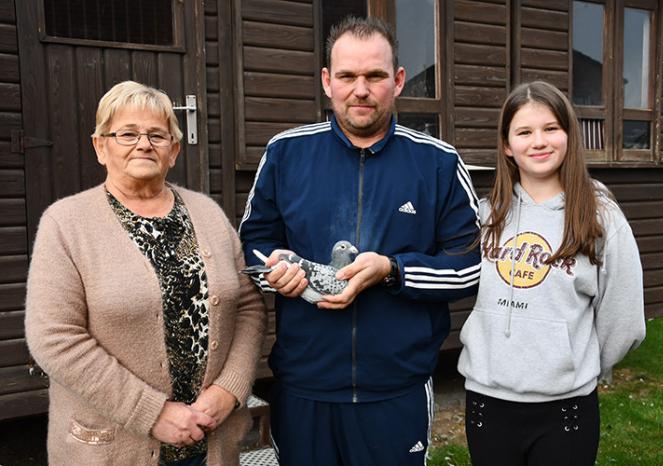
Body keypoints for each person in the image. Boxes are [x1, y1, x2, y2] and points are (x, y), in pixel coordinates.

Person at [238, 15, 481, 466]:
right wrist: (282, 275)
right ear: (327, 82)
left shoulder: (438, 163)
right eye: (347, 76)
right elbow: (253, 243)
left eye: (375, 76)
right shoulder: (286, 153)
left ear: (399, 80)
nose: (361, 89)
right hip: (305, 385)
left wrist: (394, 270)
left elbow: (469, 267)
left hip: (397, 388)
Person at [25, 81, 267, 466]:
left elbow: (250, 307)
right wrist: (152, 412)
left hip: (211, 441)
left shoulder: (208, 214)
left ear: (173, 151)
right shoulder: (66, 224)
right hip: (112, 448)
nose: (143, 144)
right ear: (100, 146)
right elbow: (54, 338)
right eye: (127, 134)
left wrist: (229, 389)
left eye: (157, 134)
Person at [457, 81, 646, 466]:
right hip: (487, 403)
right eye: (524, 132)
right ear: (507, 145)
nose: (538, 141)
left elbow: (623, 321)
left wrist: (575, 363)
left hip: (565, 410)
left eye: (550, 128)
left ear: (568, 135)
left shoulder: (600, 218)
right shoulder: (487, 215)